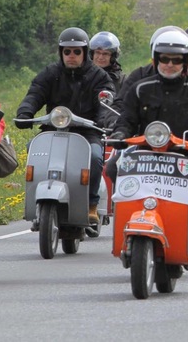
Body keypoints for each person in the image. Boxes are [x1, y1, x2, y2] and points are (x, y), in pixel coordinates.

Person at [108, 30, 188, 255]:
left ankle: (187, 244)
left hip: (186, 156)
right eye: (164, 59)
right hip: (144, 153)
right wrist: (120, 134)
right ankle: (125, 235)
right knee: (115, 168)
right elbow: (127, 119)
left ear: (186, 63)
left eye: (176, 60)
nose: (169, 64)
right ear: (155, 59)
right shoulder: (140, 88)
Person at [15, 28, 115, 225]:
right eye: (67, 51)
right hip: (53, 129)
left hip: (88, 131)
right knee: (33, 150)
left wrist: (104, 121)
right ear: (60, 52)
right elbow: (35, 93)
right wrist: (25, 113)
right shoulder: (50, 73)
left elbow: (106, 102)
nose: (71, 56)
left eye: (77, 52)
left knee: (95, 156)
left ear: (85, 53)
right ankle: (38, 202)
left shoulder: (98, 76)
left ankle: (92, 203)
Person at [89, 31, 126, 95]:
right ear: (92, 54)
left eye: (105, 54)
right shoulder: (84, 76)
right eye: (97, 52)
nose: (100, 57)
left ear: (113, 57)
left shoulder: (121, 80)